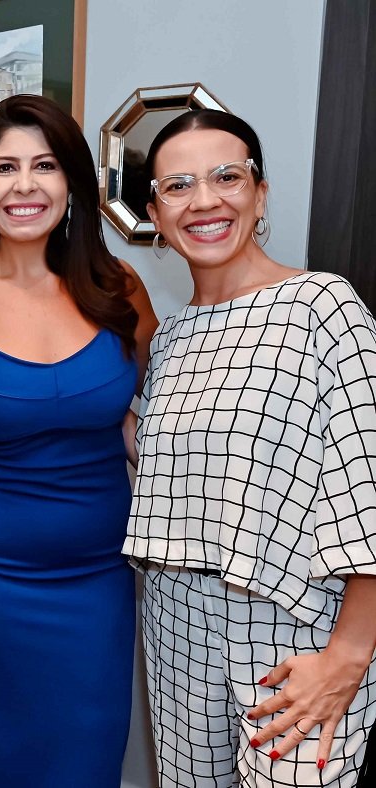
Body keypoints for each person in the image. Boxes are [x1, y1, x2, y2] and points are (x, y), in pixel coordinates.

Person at [0, 94, 158, 788]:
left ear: (71, 182)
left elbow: (144, 406)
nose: (25, 185)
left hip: (96, 583)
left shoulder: (120, 290)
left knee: (84, 761)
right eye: (5, 167)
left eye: (45, 166)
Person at [127, 109, 376, 788]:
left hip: (297, 629)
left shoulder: (322, 306)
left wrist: (348, 657)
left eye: (226, 177)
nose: (203, 200)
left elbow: (369, 488)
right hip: (175, 618)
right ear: (155, 212)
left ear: (259, 195)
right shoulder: (172, 337)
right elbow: (165, 463)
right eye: (177, 186)